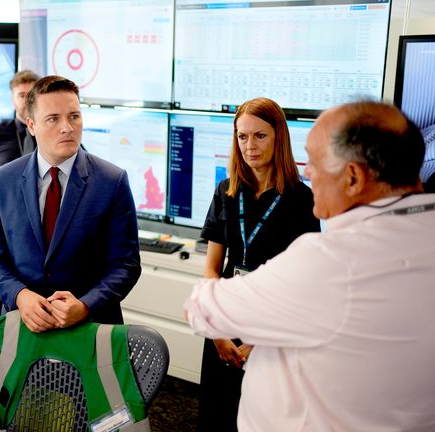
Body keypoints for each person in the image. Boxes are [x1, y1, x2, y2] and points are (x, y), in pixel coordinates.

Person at [184, 101, 435, 431]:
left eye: (315, 163)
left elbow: (201, 308)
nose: (308, 172)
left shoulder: (329, 261)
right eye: (242, 136)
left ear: (353, 177)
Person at [0, 75, 141, 332]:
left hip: (90, 326)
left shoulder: (112, 181)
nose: (67, 127)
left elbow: (126, 265)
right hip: (22, 324)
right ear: (31, 125)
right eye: (53, 119)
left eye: (74, 116)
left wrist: (86, 305)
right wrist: (20, 295)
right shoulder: (3, 179)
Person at [196, 97, 320, 430]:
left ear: (279, 137)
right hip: (225, 322)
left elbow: (302, 283)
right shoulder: (226, 191)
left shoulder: (300, 199)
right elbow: (212, 268)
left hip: (271, 329)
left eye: (260, 136)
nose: (250, 146)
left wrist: (259, 340)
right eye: (242, 137)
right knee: (216, 415)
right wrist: (214, 327)